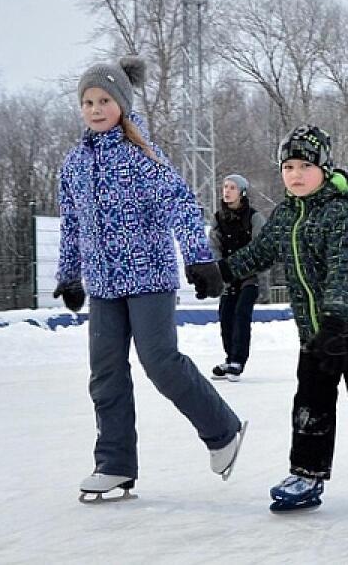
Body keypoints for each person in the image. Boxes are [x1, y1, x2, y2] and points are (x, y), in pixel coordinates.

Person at [57, 56, 246, 502]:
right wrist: (69, 276)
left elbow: (180, 203)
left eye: (104, 100)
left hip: (149, 278)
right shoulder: (73, 165)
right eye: (87, 101)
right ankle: (115, 464)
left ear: (121, 102)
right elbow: (70, 224)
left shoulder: (141, 156)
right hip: (103, 286)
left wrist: (199, 259)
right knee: (105, 374)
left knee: (160, 363)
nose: (96, 108)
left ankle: (223, 432)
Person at [220, 125, 348, 512]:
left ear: (324, 168)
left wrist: (335, 322)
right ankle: (307, 475)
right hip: (314, 334)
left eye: (305, 165)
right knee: (310, 404)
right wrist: (220, 271)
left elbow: (346, 271)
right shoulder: (286, 215)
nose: (295, 174)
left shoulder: (340, 214)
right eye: (288, 166)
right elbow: (258, 253)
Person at [210, 174, 267, 382]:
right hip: (227, 276)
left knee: (242, 314)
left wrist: (245, 267)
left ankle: (238, 361)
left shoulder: (253, 217)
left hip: (249, 276)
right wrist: (219, 267)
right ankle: (229, 357)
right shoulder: (218, 218)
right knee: (226, 315)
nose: (227, 191)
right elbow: (213, 245)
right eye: (225, 187)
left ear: (242, 192)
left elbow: (260, 247)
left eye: (232, 187)